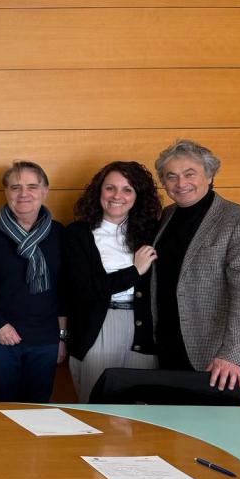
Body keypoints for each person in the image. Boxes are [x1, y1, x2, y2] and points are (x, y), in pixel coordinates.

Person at [152, 139, 240, 391]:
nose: (181, 183)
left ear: (210, 175)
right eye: (171, 176)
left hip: (214, 356)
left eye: (189, 174)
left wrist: (232, 354)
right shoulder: (166, 216)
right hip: (166, 345)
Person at [62, 161, 161, 402]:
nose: (117, 196)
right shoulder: (77, 233)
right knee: (98, 405)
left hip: (143, 329)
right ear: (99, 191)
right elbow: (86, 290)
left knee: (140, 407)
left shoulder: (153, 233)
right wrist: (134, 271)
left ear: (138, 196)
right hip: (97, 326)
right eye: (110, 188)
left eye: (127, 189)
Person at [0, 160, 66, 403]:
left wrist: (61, 337)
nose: (23, 193)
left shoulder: (60, 233)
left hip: (45, 340)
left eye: (32, 187)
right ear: (6, 192)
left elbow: (64, 290)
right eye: (15, 187)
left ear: (45, 191)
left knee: (37, 412)